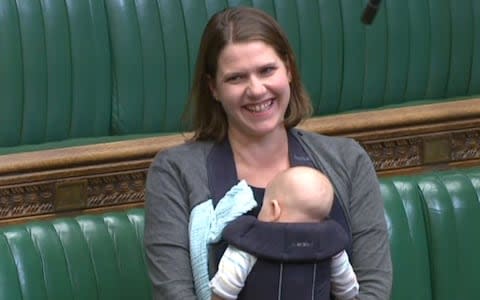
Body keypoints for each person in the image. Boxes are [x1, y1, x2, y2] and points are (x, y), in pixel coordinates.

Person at [144, 6, 392, 300]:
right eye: (236, 78)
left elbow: (372, 287)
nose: (256, 90)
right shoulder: (174, 171)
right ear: (213, 88)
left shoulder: (348, 160)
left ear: (288, 69)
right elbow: (175, 293)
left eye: (266, 70)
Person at [210, 166, 359, 300]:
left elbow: (224, 289)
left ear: (274, 209)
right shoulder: (331, 245)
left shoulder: (249, 242)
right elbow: (348, 291)